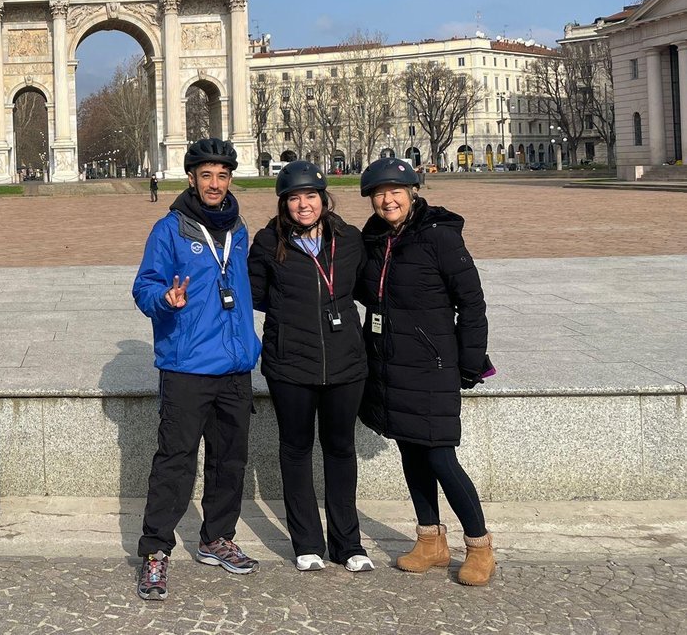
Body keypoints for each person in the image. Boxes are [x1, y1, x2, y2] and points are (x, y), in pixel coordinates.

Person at [355, 157, 495, 586]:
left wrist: (471, 361)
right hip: (390, 361)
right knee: (411, 451)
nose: (387, 199)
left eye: (396, 190)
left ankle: (479, 544)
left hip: (433, 363)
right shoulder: (374, 238)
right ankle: (430, 540)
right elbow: (364, 290)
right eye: (379, 193)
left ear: (412, 191)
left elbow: (472, 303)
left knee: (439, 455)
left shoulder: (438, 237)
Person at [131, 138, 261, 601]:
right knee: (176, 461)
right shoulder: (169, 230)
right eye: (205, 175)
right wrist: (164, 299)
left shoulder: (240, 229)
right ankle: (155, 551)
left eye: (222, 175)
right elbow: (144, 285)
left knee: (230, 459)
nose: (214, 183)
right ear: (191, 178)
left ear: (229, 180)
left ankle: (216, 537)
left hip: (234, 365)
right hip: (187, 365)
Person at [247, 160, 373, 573]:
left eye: (311, 196)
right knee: (296, 450)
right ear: (284, 203)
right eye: (295, 198)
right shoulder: (268, 243)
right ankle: (306, 543)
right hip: (290, 365)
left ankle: (347, 543)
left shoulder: (350, 239)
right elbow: (258, 295)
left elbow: (370, 287)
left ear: (324, 198)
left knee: (341, 451)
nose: (304, 205)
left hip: (345, 364)